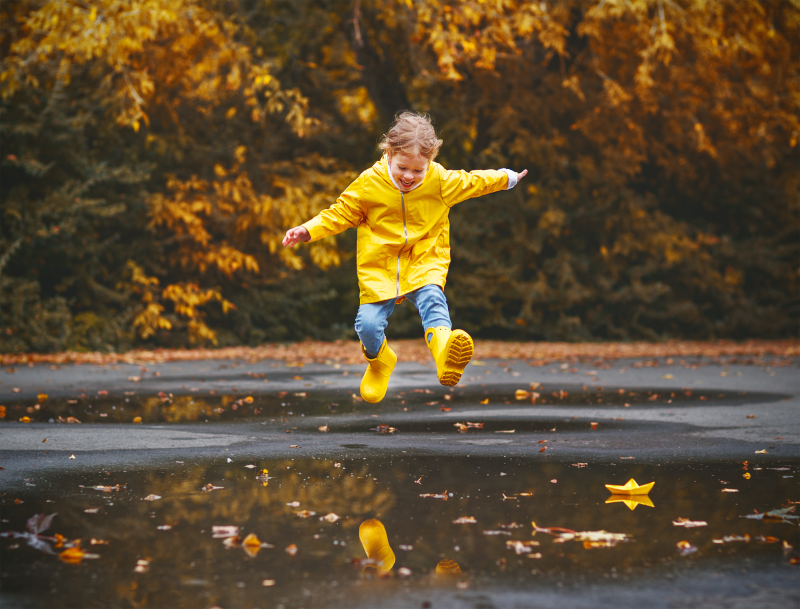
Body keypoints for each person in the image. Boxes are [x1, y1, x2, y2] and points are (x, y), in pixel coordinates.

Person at [282, 111, 527, 403]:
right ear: (388, 153)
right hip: (380, 266)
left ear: (430, 162)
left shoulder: (438, 180)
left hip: (425, 257)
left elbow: (474, 182)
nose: (410, 176)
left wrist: (508, 177)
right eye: (403, 168)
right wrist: (307, 230)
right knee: (367, 326)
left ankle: (445, 354)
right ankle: (380, 362)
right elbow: (340, 213)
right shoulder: (369, 184)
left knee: (433, 300)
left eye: (418, 170)